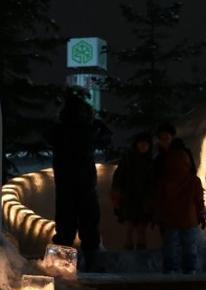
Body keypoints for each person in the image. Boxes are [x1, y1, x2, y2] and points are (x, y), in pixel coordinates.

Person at [49, 94, 103, 270]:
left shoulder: (59, 131)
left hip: (65, 184)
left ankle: (62, 266)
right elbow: (105, 136)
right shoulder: (89, 130)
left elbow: (47, 135)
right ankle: (92, 263)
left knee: (65, 225)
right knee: (89, 225)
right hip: (86, 184)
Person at [154, 138, 206, 273]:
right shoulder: (193, 180)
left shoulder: (164, 180)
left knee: (170, 246)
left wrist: (157, 216)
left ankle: (170, 270)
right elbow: (198, 199)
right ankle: (190, 270)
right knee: (189, 246)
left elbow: (159, 199)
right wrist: (201, 214)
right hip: (189, 218)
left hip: (170, 217)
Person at [110, 133, 156, 250]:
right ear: (136, 144)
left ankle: (140, 253)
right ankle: (129, 253)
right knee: (129, 228)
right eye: (141, 143)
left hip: (144, 200)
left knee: (141, 229)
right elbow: (118, 179)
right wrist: (117, 197)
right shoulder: (127, 160)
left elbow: (153, 181)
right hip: (129, 199)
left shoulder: (151, 162)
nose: (143, 146)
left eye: (146, 144)